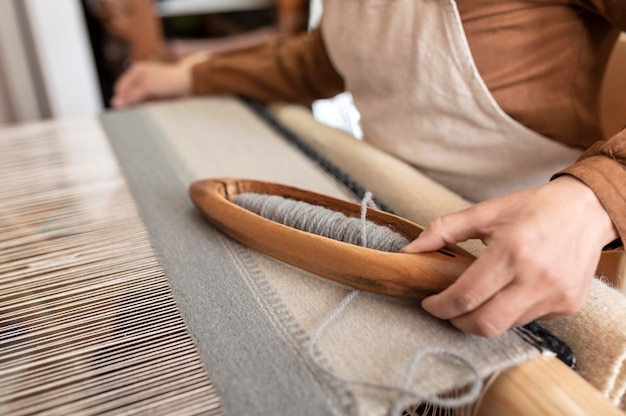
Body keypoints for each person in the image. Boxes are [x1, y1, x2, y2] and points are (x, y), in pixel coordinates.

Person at [111, 0, 625, 338]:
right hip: (384, 213)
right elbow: (323, 60)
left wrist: (595, 197)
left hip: (527, 265)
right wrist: (190, 78)